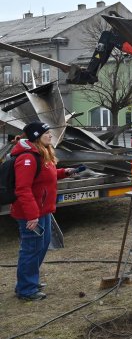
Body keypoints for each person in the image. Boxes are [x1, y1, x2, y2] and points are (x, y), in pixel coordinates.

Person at [10, 122, 77, 301]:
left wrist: (64, 172)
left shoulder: (41, 153)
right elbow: (22, 189)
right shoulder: (28, 158)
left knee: (42, 245)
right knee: (31, 249)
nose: (50, 136)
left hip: (43, 211)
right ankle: (26, 289)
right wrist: (32, 215)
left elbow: (46, 174)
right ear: (36, 136)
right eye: (47, 133)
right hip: (31, 214)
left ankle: (29, 281)